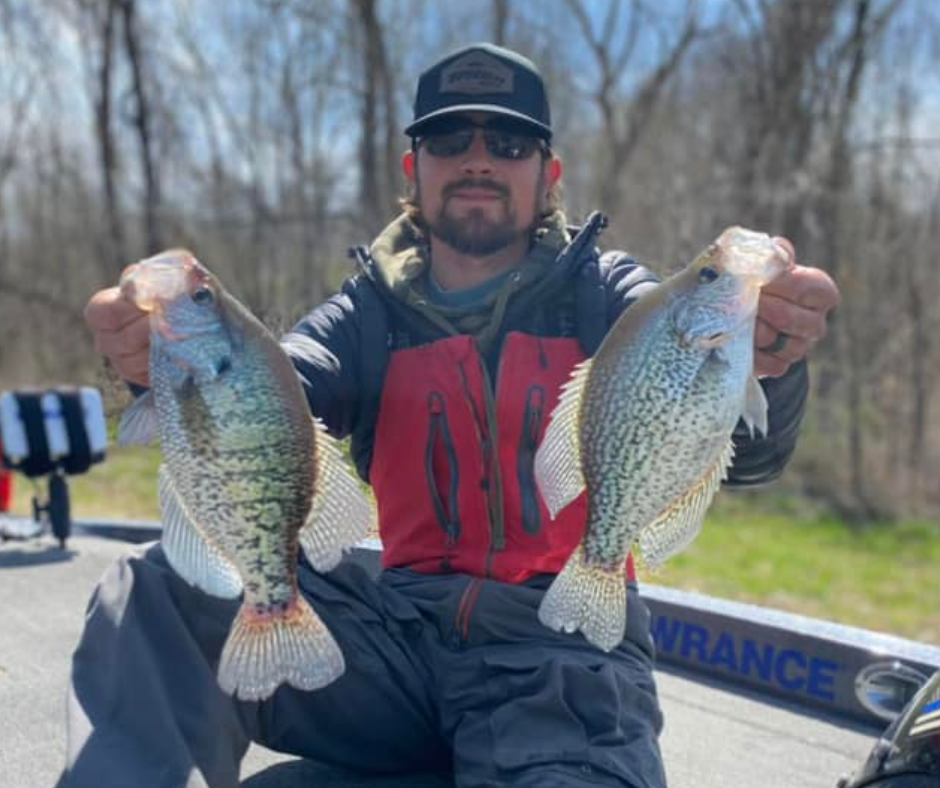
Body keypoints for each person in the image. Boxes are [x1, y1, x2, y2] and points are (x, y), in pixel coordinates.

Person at [66, 43, 840, 788]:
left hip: (562, 657)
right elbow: (284, 386)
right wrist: (163, 368)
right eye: (448, 138)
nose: (478, 159)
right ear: (414, 168)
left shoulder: (614, 297)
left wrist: (771, 352)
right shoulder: (362, 314)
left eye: (508, 141)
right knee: (157, 588)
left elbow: (749, 447)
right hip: (389, 650)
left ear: (549, 173)